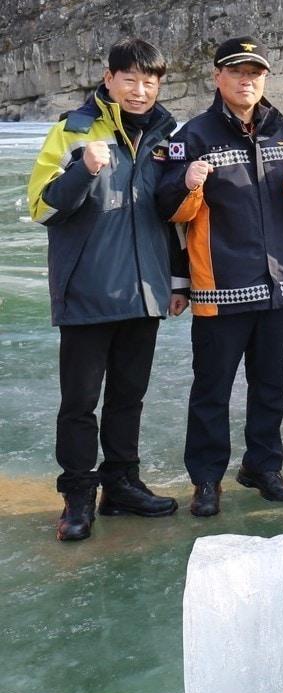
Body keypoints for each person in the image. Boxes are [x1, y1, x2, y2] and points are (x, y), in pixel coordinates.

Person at [157, 36, 283, 517]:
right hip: (220, 286)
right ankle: (207, 479)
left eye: (254, 73)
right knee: (212, 390)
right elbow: (168, 212)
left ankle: (262, 466)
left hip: (277, 285)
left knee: (270, 385)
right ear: (218, 77)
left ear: (265, 80)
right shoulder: (194, 135)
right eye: (236, 72)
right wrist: (179, 281)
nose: (246, 80)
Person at [27, 38, 185, 541]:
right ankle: (77, 496)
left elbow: (171, 216)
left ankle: (121, 485)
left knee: (128, 397)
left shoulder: (165, 136)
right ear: (108, 78)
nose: (140, 90)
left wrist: (176, 281)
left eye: (150, 81)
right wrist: (83, 169)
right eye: (130, 79)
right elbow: (41, 208)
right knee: (79, 403)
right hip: (87, 293)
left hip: (144, 291)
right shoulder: (73, 131)